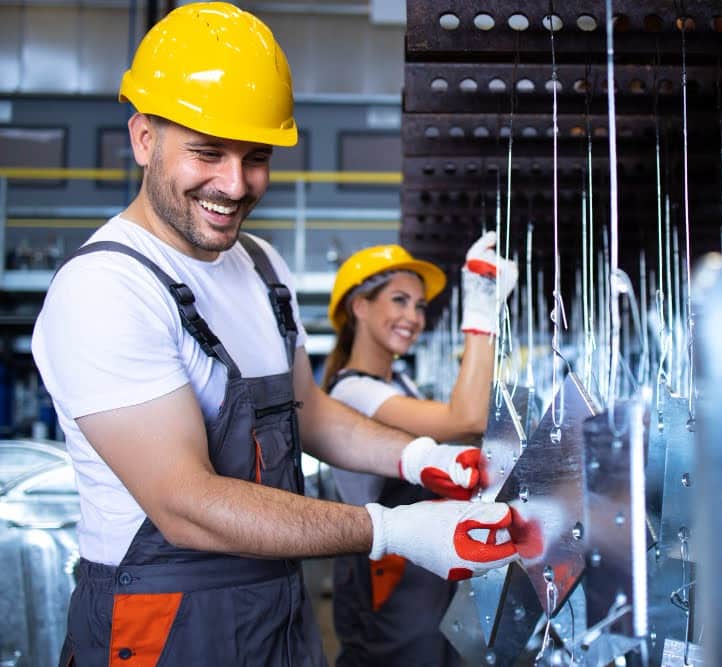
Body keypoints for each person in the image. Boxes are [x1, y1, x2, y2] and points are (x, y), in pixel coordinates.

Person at [30, 4, 516, 666]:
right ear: (145, 138)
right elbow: (186, 504)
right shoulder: (106, 289)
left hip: (276, 606)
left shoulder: (260, 266)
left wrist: (419, 458)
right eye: (207, 152)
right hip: (164, 624)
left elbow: (310, 414)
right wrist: (395, 529)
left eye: (255, 157)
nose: (234, 184)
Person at [320, 236, 517, 666]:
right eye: (400, 300)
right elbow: (467, 418)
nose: (413, 316)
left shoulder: (398, 386)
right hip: (386, 571)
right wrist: (482, 316)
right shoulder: (354, 391)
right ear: (360, 306)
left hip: (416, 563)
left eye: (420, 305)